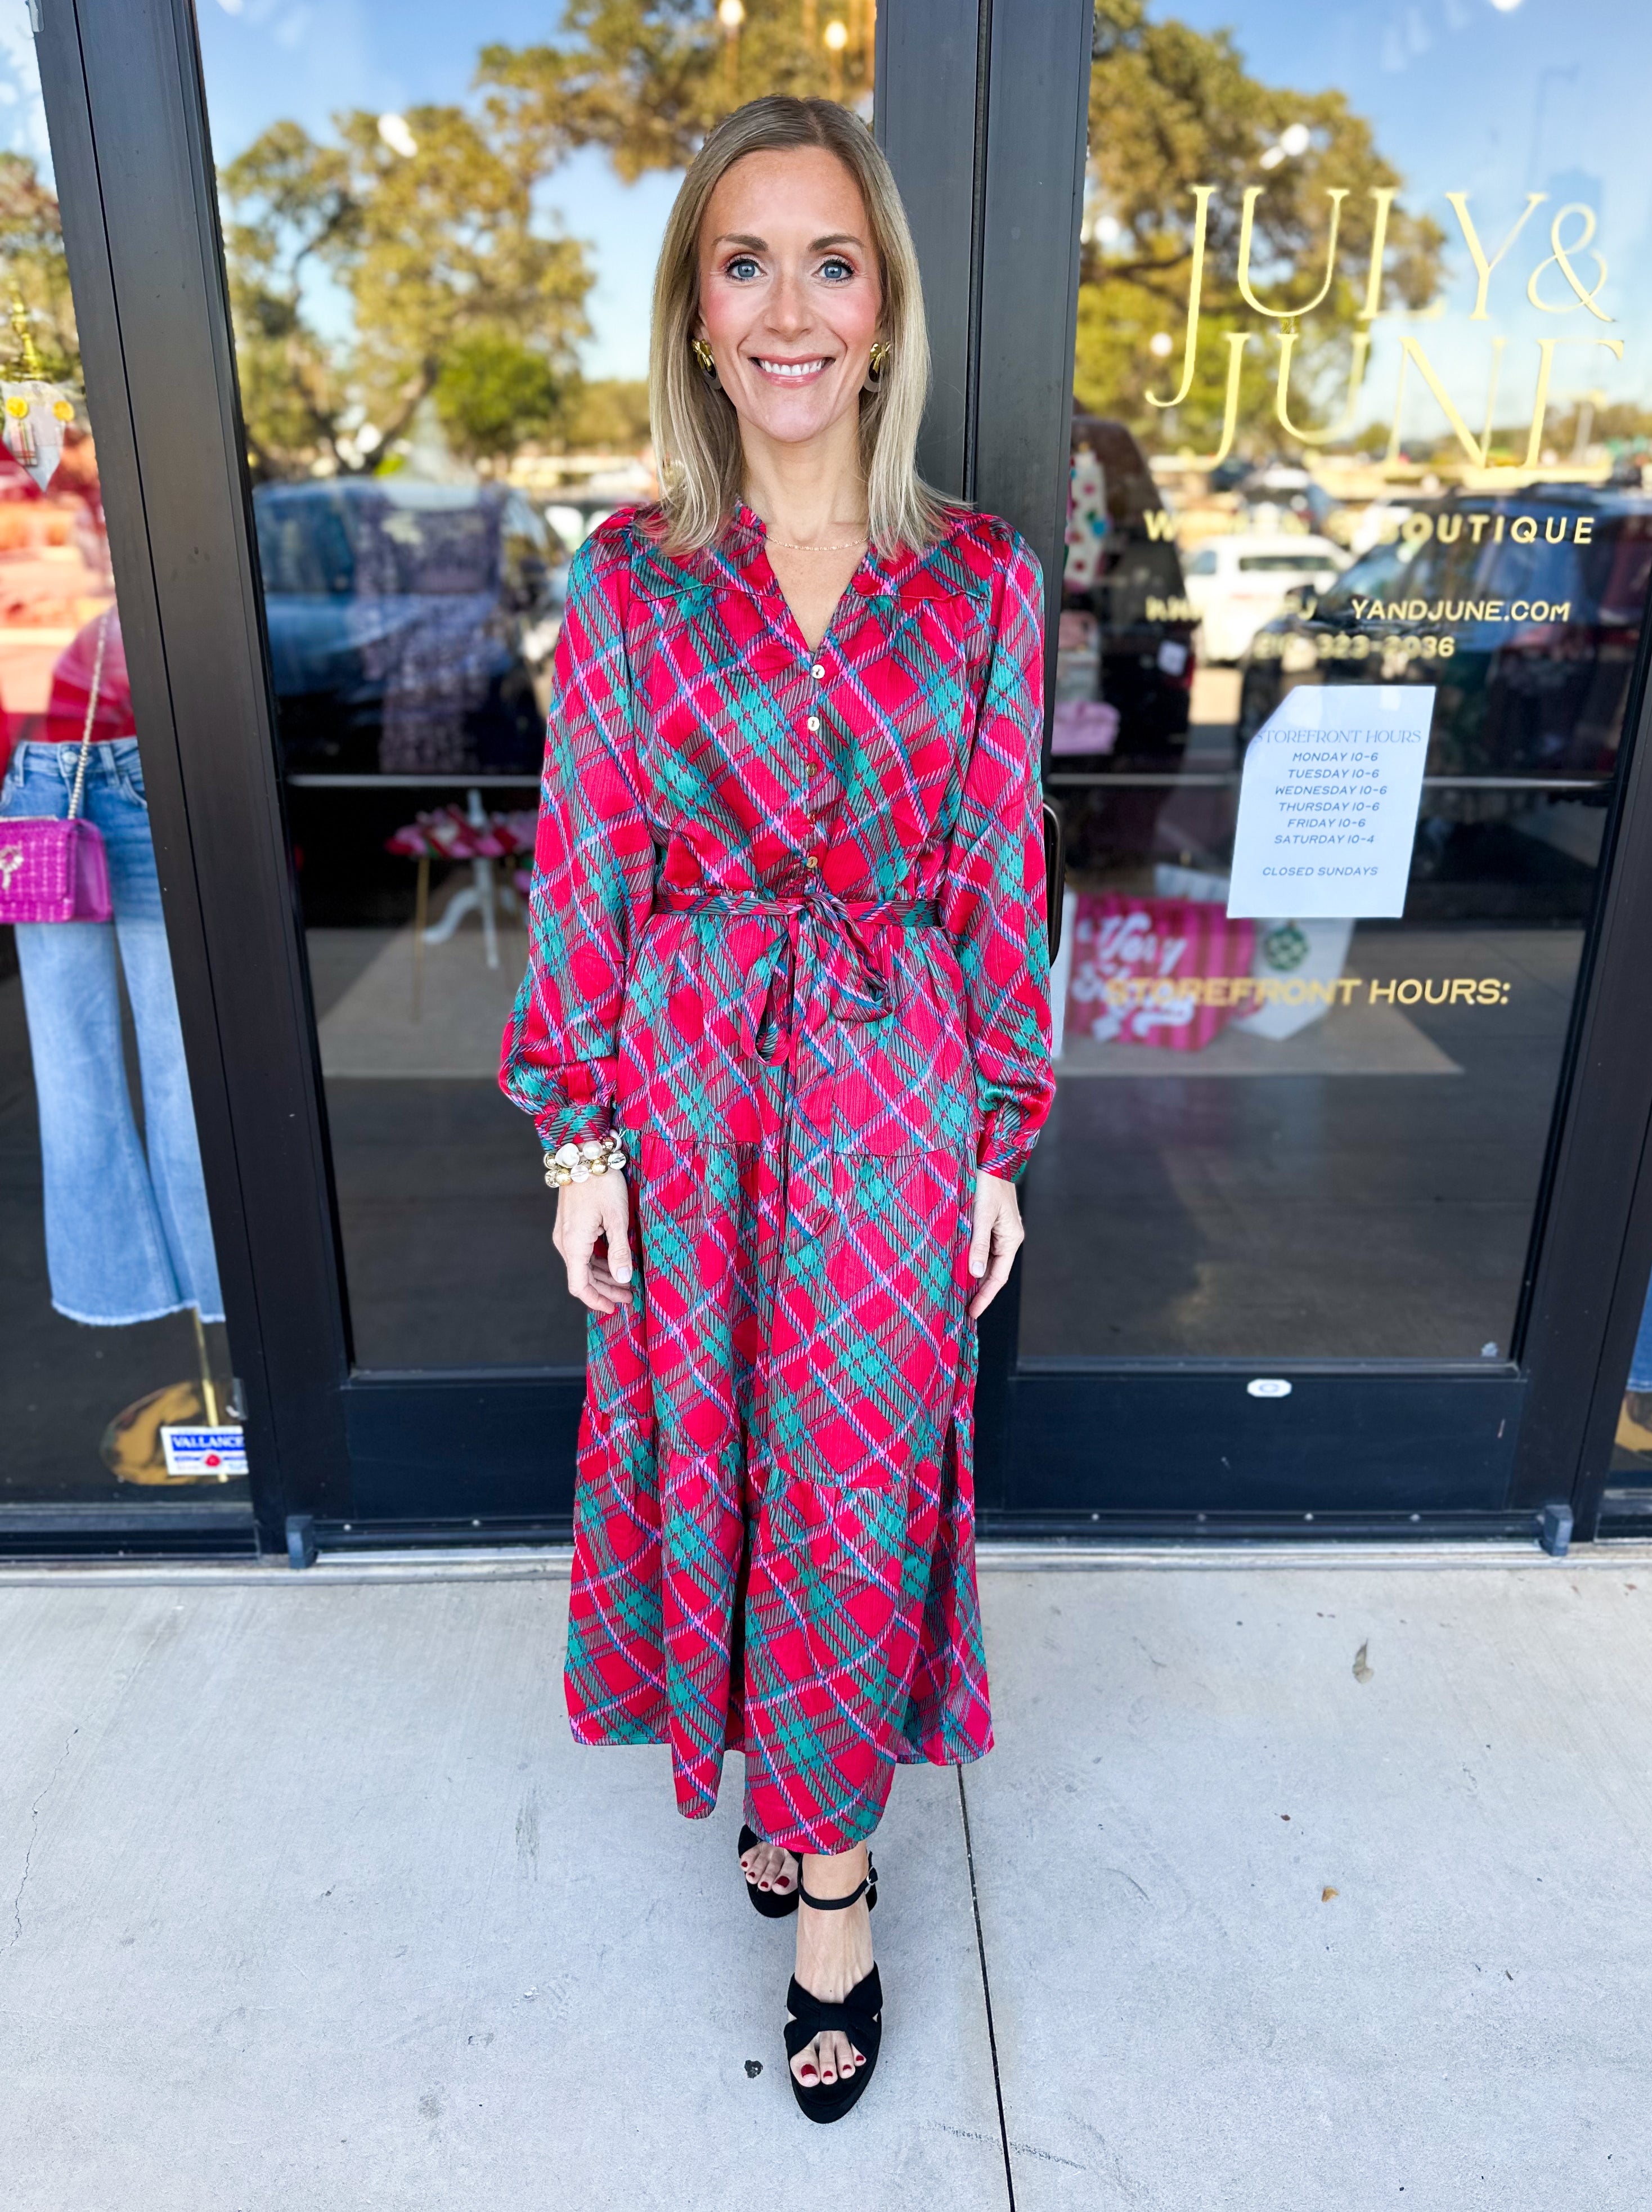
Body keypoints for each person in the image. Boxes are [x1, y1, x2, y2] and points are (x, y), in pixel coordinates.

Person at [499, 95, 1053, 2122]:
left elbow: (1002, 867)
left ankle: (834, 1890)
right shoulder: (632, 579)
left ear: (884, 308)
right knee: (718, 1461)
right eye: (748, 266)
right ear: (697, 315)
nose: (792, 310)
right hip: (688, 1090)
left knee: (848, 1484)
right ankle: (786, 1786)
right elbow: (585, 861)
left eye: (833, 264)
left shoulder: (976, 578)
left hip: (893, 1094)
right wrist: (578, 1138)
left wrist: (996, 1137)